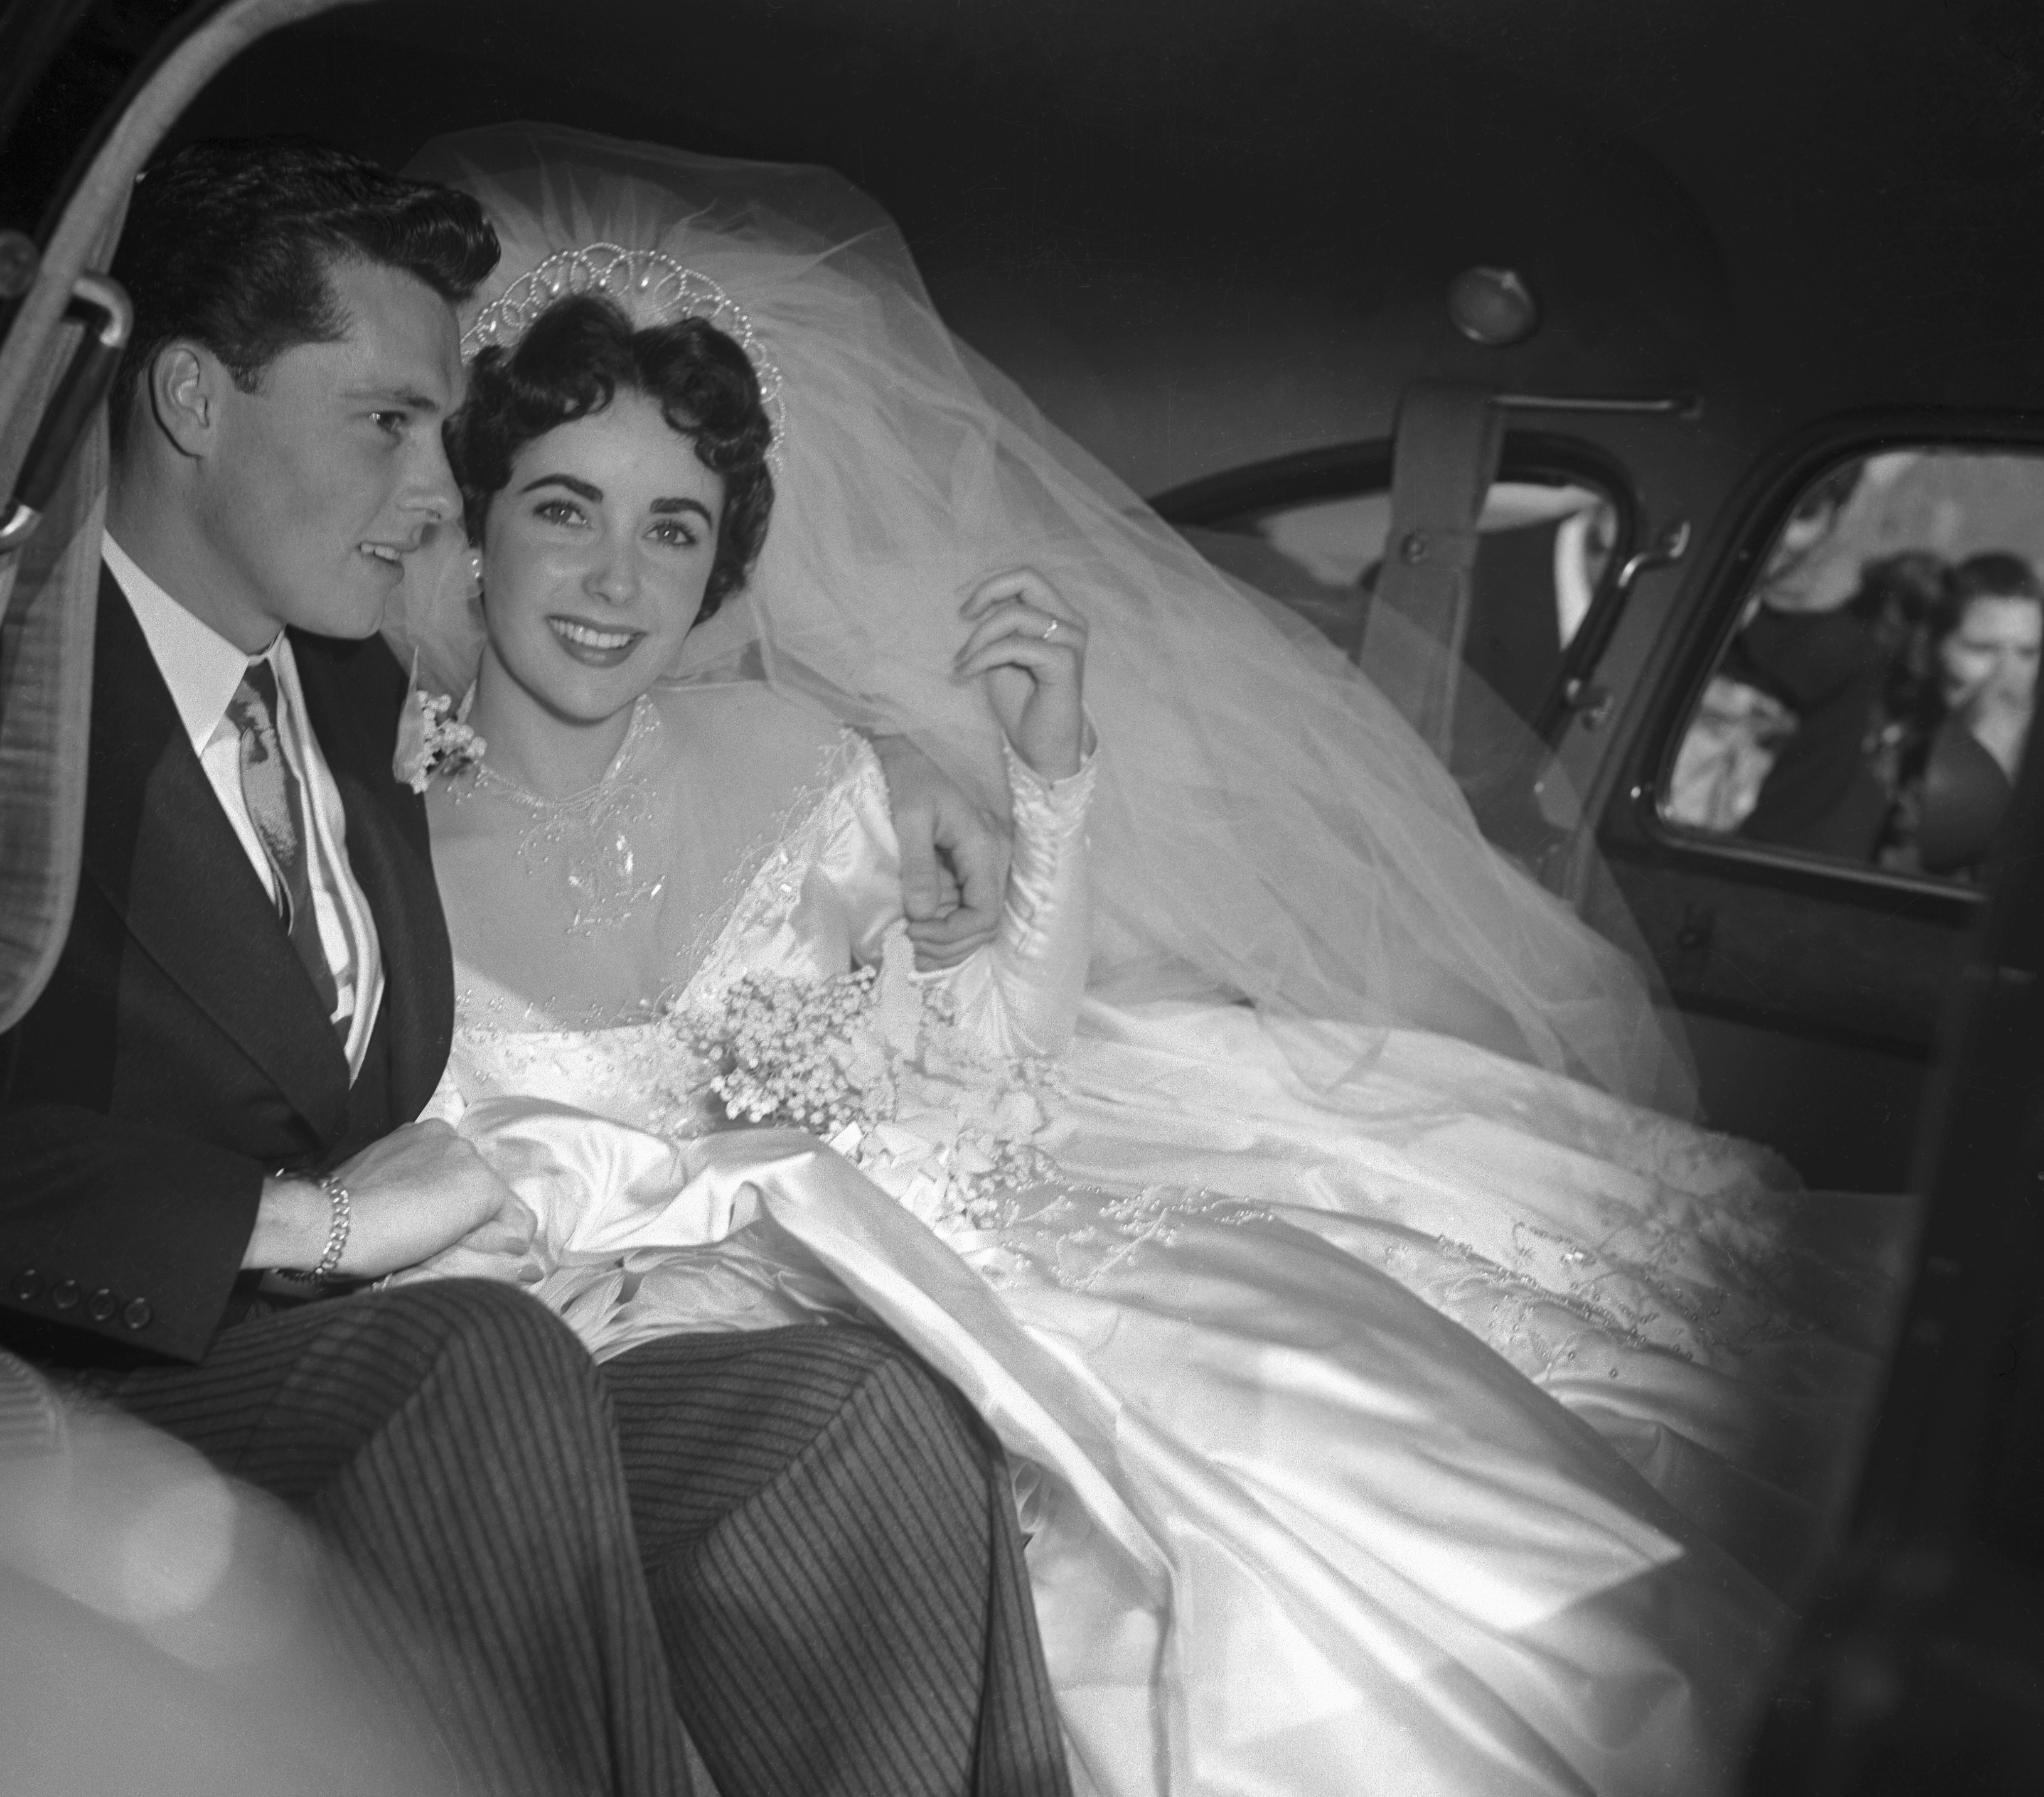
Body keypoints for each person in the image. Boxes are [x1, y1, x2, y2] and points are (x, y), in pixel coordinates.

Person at [395, 125, 1915, 1797]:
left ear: (721, 569)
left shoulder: (794, 753)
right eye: (565, 508)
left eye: (676, 530)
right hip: (725, 1353)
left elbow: (994, 1064)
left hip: (994, 1236)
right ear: (473, 524)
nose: (617, 581)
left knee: (1354, 1439)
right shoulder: (363, 854)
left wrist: (1050, 776)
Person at [0, 137, 1073, 1797]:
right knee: (489, 1359)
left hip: (446, 1344)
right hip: (109, 1364)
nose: (436, 492)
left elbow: (613, 740)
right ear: (191, 400)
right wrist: (305, 1223)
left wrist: (915, 765)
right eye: (389, 423)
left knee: (864, 1408)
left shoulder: (359, 695)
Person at [1878, 550, 2043, 876]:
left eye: (2028, 653)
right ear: (1932, 645)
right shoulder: (1883, 734)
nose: (2009, 677)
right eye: (1983, 649)